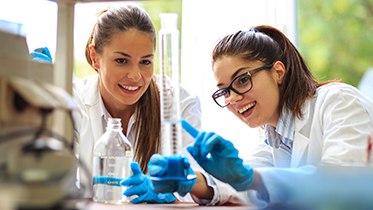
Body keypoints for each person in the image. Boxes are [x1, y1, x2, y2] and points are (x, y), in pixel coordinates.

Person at [147, 25, 373, 208]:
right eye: (224, 91)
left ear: (278, 72)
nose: (232, 98)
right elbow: (245, 185)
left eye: (242, 80)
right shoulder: (272, 136)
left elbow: (340, 186)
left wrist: (248, 177)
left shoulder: (338, 101)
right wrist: (186, 180)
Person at [71, 5, 202, 203]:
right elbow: (53, 177)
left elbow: (197, 187)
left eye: (145, 62)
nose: (135, 76)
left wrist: (171, 192)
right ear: (95, 57)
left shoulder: (180, 104)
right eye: (122, 60)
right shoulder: (75, 99)